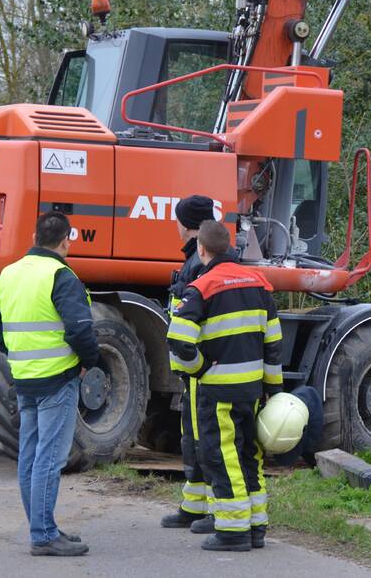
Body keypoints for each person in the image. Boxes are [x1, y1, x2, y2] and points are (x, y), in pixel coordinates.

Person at [167, 220, 284, 552]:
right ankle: (256, 526)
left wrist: (200, 369)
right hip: (252, 391)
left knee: (221, 457)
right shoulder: (260, 284)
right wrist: (272, 389)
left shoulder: (202, 288)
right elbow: (274, 343)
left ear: (202, 249)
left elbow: (179, 340)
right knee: (250, 455)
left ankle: (233, 531)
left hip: (218, 392)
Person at [0, 211, 99, 557]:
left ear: (34, 237)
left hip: (24, 378)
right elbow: (80, 328)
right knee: (49, 459)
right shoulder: (61, 275)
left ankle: (44, 527)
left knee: (31, 456)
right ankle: (43, 534)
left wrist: (24, 359)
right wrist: (88, 362)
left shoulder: (8, 274)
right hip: (57, 379)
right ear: (66, 240)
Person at [161, 195, 218, 534]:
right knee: (192, 437)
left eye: (178, 219)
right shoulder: (193, 260)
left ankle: (213, 508)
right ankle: (194, 505)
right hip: (191, 367)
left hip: (200, 367)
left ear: (187, 225)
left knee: (207, 439)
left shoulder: (199, 263)